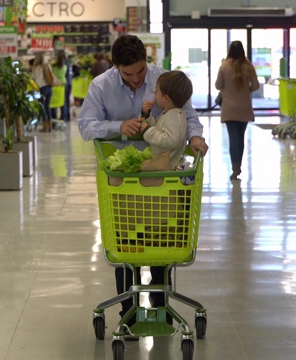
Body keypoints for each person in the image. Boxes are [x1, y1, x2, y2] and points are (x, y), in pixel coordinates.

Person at [78, 35, 208, 339]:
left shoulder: (163, 79)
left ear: (145, 61)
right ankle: (128, 310)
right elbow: (86, 126)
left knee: (162, 236)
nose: (137, 80)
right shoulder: (101, 86)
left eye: (140, 72)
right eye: (129, 74)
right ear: (115, 66)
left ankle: (160, 305)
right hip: (123, 176)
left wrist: (195, 138)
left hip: (163, 173)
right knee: (126, 240)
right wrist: (118, 127)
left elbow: (187, 116)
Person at [214, 41, 260, 181]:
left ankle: (235, 169)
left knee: (233, 138)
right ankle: (238, 164)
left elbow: (218, 85)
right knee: (240, 137)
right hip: (244, 107)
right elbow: (256, 85)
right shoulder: (248, 67)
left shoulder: (224, 66)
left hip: (229, 108)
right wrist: (247, 91)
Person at [140, 71, 192, 168]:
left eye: (156, 92)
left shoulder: (174, 116)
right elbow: (159, 128)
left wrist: (148, 131)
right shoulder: (169, 113)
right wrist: (146, 115)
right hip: (163, 164)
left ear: (166, 98)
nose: (154, 95)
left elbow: (171, 140)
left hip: (166, 167)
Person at [31, 53, 54, 132]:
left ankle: (45, 126)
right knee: (47, 106)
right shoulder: (48, 66)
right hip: (49, 88)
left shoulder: (36, 68)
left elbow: (34, 80)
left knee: (42, 107)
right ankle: (50, 125)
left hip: (42, 89)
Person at [51, 51, 68, 121]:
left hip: (54, 85)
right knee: (62, 101)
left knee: (53, 101)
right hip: (63, 84)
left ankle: (54, 117)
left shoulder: (53, 66)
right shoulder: (65, 67)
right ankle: (63, 117)